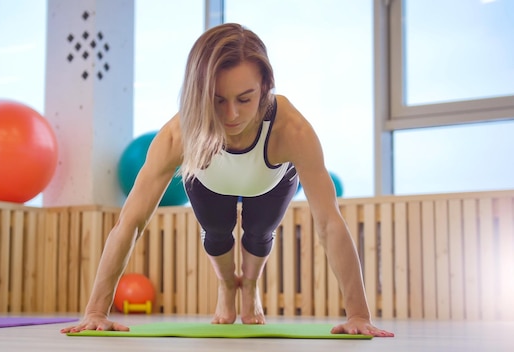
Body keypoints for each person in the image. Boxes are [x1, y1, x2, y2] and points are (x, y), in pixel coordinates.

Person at [61, 23, 394, 337]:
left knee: (259, 232)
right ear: (199, 93)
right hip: (209, 180)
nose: (231, 115)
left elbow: (329, 223)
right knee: (217, 233)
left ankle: (249, 286)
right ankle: (226, 285)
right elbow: (130, 221)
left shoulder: (292, 130)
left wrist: (358, 315)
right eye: (217, 100)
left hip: (270, 181)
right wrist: (96, 310)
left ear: (266, 86)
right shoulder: (179, 134)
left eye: (244, 99)